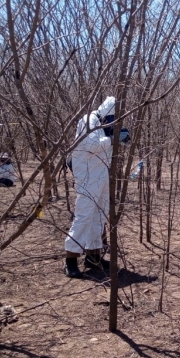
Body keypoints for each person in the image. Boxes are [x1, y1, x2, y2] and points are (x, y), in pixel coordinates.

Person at [63, 96, 116, 278]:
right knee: (84, 217)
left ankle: (93, 256)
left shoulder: (106, 125)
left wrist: (118, 136)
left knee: (99, 216)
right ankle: (70, 259)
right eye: (111, 120)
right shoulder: (89, 120)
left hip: (101, 176)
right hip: (87, 177)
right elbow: (92, 144)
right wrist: (113, 138)